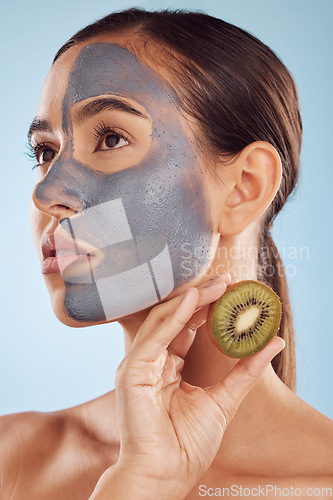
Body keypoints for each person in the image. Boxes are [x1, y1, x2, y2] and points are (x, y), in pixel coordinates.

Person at [1, 8, 332, 499]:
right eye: (46, 152)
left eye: (110, 138)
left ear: (243, 187)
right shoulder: (12, 458)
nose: (46, 193)